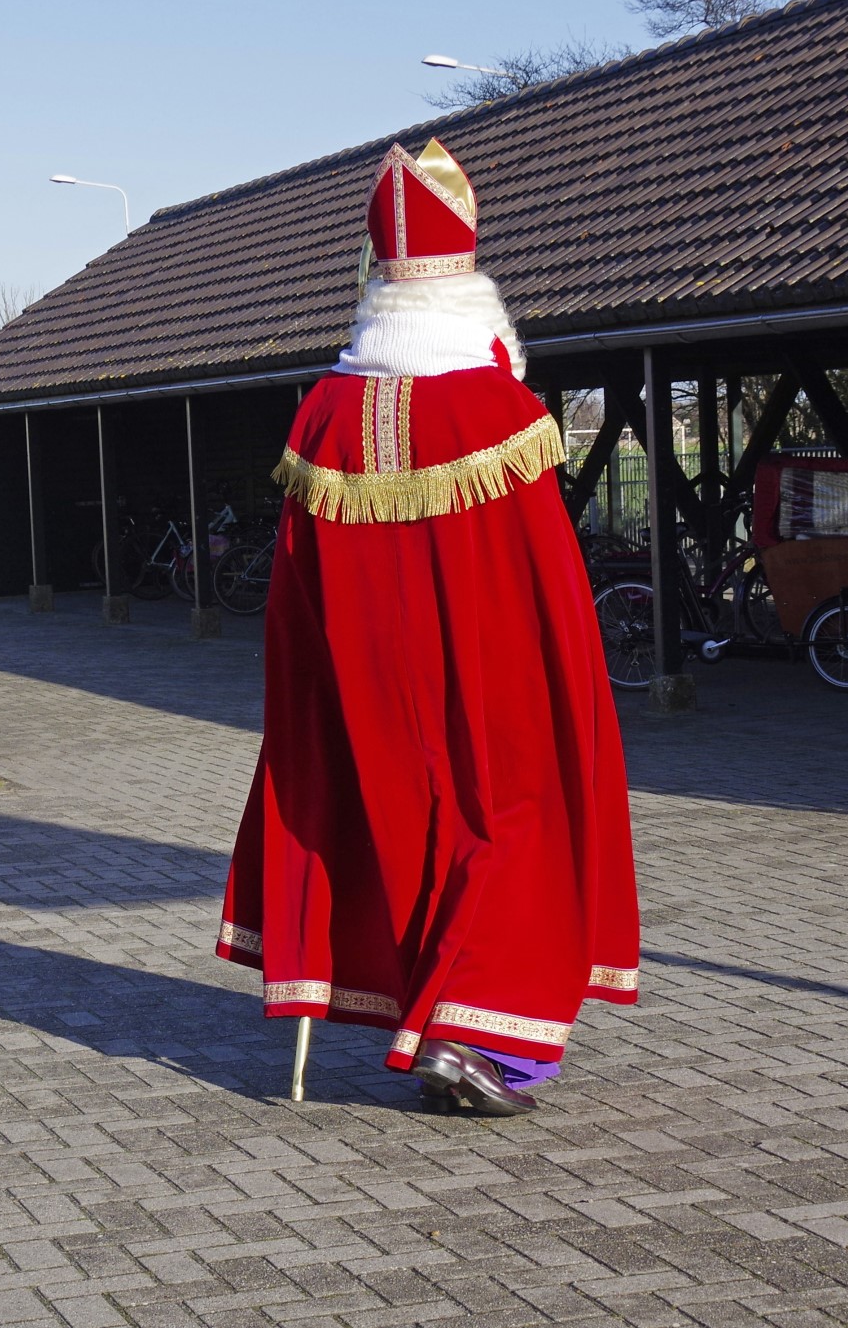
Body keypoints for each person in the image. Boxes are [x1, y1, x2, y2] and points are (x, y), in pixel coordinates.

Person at [217, 139, 640, 1117]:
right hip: (494, 677)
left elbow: (295, 583)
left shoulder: (322, 412)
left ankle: (437, 1021)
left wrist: (309, 692)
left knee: (394, 824)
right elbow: (549, 580)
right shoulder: (500, 406)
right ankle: (478, 1039)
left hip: (365, 688)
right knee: (513, 821)